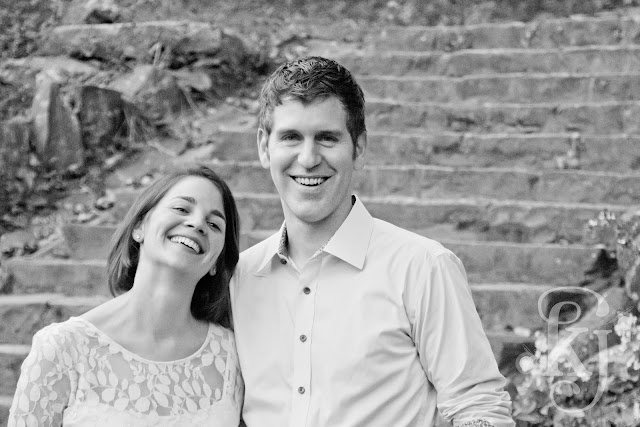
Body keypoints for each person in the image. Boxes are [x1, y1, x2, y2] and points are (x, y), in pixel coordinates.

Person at [230, 56, 515, 427]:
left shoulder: (422, 268)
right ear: (264, 147)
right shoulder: (239, 278)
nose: (308, 158)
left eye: (327, 138)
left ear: (359, 148)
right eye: (291, 137)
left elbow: (477, 405)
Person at [9, 165, 244, 426]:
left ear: (216, 262)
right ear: (139, 227)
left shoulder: (233, 357)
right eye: (181, 208)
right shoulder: (62, 348)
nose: (197, 223)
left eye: (214, 224)